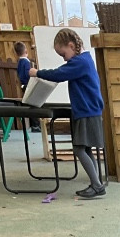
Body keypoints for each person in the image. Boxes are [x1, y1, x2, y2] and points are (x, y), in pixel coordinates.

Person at [30, 29, 106, 199]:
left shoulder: (80, 63)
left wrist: (37, 73)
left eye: (63, 54)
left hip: (86, 111)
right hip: (89, 111)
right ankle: (96, 183)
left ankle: (97, 185)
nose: (64, 59)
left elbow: (59, 74)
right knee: (86, 148)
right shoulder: (85, 60)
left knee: (79, 149)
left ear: (71, 46)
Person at [15, 42, 40, 132]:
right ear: (26, 51)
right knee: (33, 104)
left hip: (23, 85)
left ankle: (34, 124)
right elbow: (27, 73)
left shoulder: (19, 62)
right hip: (28, 85)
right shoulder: (26, 62)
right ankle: (35, 125)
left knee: (29, 104)